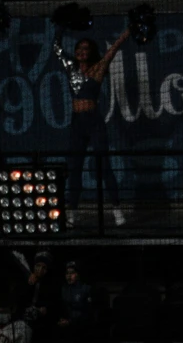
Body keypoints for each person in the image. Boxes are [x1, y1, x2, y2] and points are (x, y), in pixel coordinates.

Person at [53, 24, 131, 222]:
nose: (81, 51)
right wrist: (60, 26)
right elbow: (56, 48)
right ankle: (73, 211)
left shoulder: (98, 68)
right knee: (75, 167)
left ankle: (116, 208)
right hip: (77, 123)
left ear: (92, 52)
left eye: (86, 48)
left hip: (94, 120)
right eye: (79, 48)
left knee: (104, 165)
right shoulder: (71, 68)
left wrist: (128, 31)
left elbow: (114, 48)